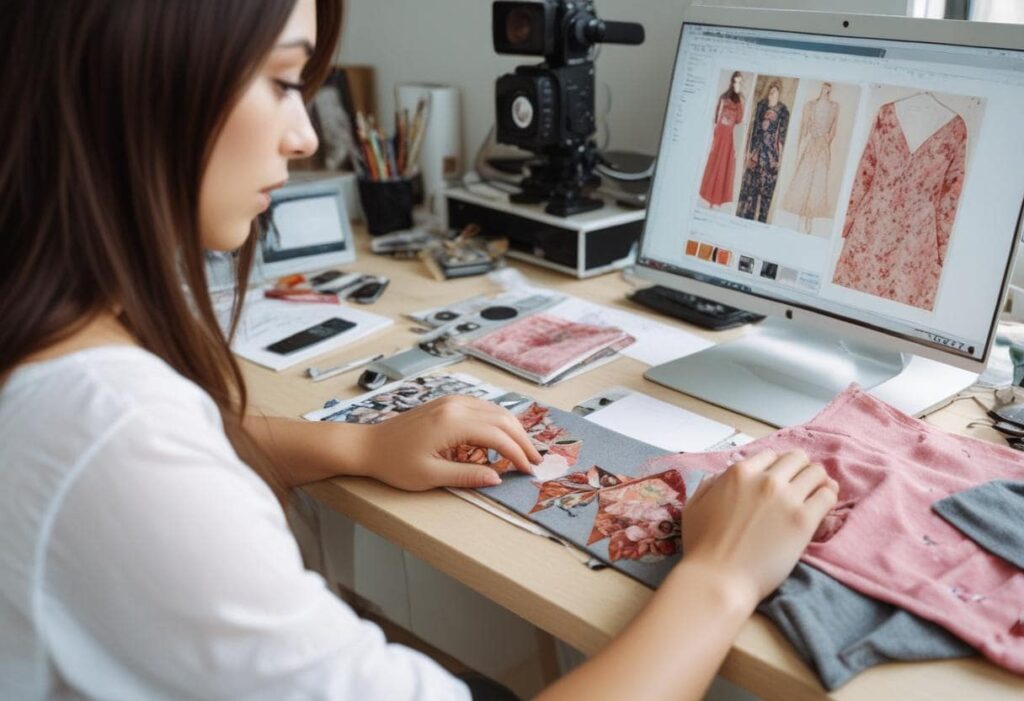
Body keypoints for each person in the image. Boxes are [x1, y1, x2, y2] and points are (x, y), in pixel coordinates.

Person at [0, 1, 839, 699]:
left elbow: (181, 452)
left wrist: (353, 442)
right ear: (137, 85)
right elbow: (141, 461)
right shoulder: (112, 432)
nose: (302, 138)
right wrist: (722, 576)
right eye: (284, 82)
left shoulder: (57, 350)